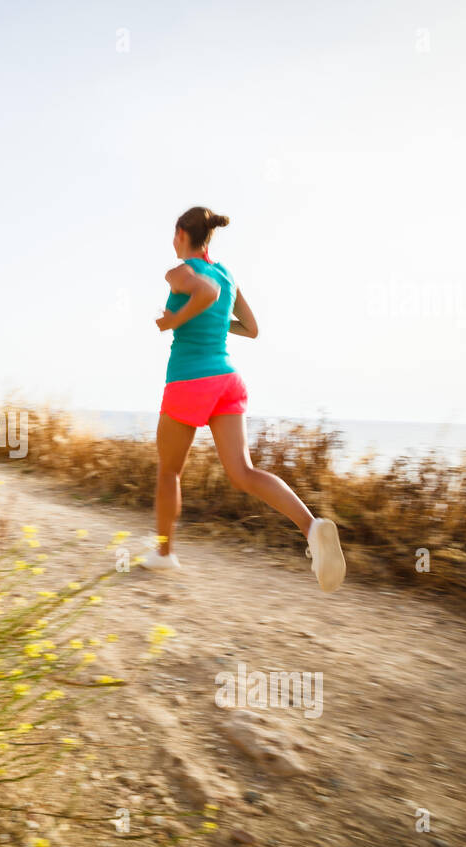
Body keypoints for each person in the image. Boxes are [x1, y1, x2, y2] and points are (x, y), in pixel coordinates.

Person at [139, 205, 345, 593]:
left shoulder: (180, 271)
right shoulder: (227, 274)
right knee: (244, 473)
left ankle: (164, 554)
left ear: (183, 234)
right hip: (227, 380)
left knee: (169, 472)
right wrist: (213, 321)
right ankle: (311, 527)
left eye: (174, 234)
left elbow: (206, 292)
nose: (172, 240)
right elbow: (251, 328)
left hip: (188, 380)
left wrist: (173, 321)